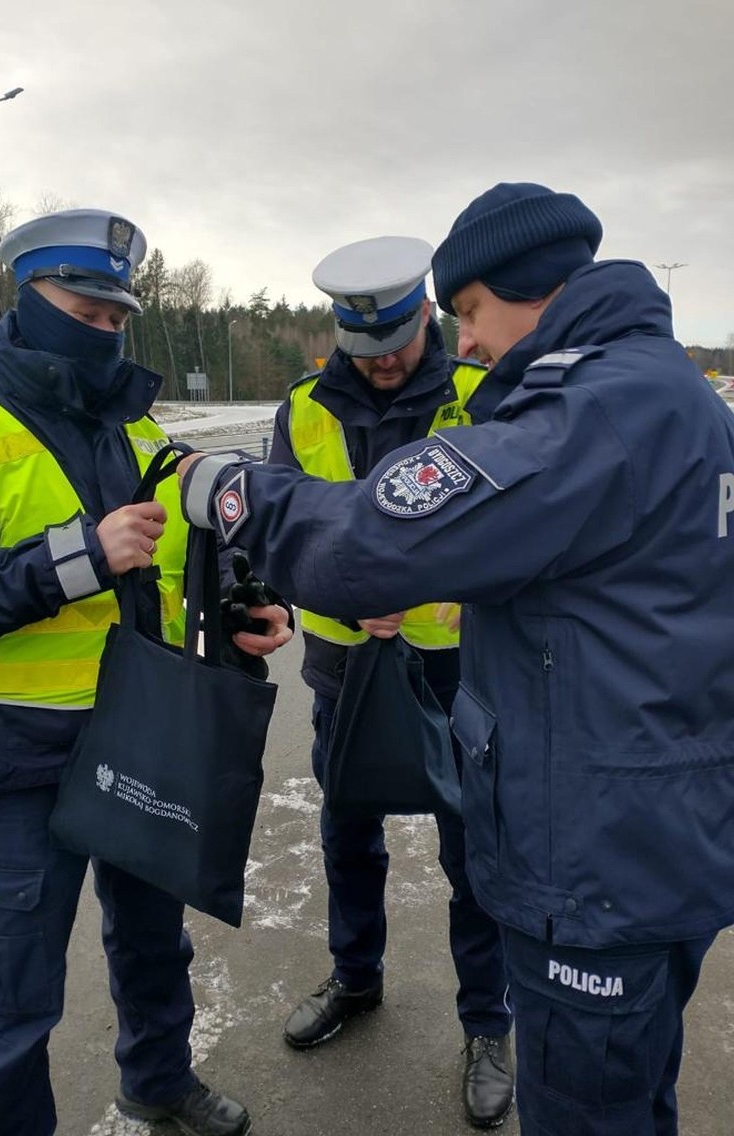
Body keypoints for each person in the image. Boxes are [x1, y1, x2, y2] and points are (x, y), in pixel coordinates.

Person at [177, 183, 734, 1136]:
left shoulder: (588, 413)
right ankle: (362, 978)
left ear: (529, 290)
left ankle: (489, 1030)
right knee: (631, 1095)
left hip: (593, 851)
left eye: (469, 312)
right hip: (648, 817)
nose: (467, 342)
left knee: (586, 1104)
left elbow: (374, 539)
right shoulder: (670, 395)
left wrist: (231, 493)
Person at [0, 208, 292, 1136]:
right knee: (14, 989)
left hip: (142, 732)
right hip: (17, 754)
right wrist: (73, 558)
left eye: (118, 320)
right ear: (27, 301)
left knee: (155, 943)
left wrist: (249, 610)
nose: (106, 333)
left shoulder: (137, 435)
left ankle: (159, 1083)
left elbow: (196, 560)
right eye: (86, 311)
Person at [264, 235, 513, 1128]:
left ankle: (489, 1025)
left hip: (461, 673)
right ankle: (356, 978)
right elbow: (278, 534)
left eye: (397, 346)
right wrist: (335, 585)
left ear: (426, 320)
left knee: (475, 854)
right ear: (341, 336)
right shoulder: (302, 411)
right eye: (363, 351)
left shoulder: (488, 395)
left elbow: (520, 531)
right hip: (346, 673)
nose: (382, 365)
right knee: (348, 836)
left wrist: (421, 584)